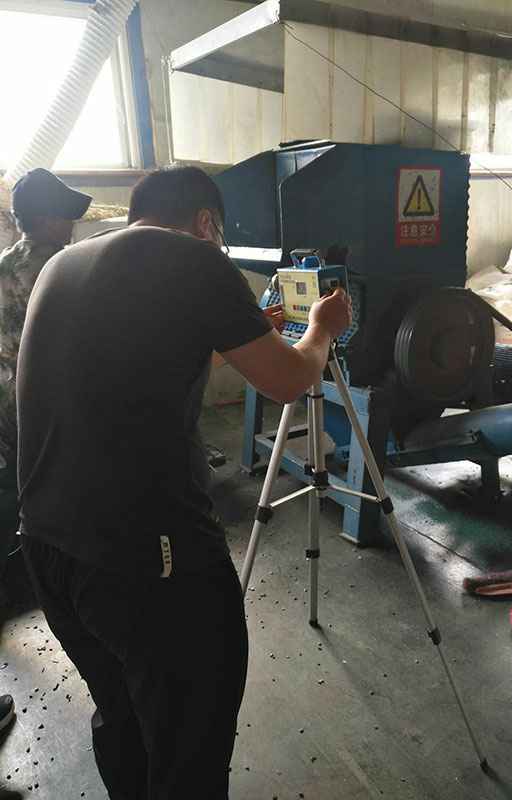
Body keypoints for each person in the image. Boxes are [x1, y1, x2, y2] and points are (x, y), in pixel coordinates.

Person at [16, 166, 351, 799]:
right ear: (205, 224)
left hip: (48, 548)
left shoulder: (64, 263)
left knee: (123, 715)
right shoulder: (195, 259)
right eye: (219, 237)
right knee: (190, 738)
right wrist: (322, 328)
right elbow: (288, 380)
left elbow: (151, 347)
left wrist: (251, 326)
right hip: (146, 562)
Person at [0, 169, 91, 539]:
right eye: (67, 217)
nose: (71, 225)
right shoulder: (60, 266)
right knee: (62, 480)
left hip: (6, 395)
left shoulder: (5, 260)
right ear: (49, 220)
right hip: (48, 399)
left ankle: (28, 539)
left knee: (25, 475)